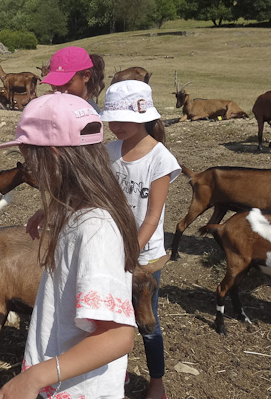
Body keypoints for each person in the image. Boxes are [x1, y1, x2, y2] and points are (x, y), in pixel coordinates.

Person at [0, 92, 140, 399]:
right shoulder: (82, 207)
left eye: (31, 160)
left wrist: (34, 379)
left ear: (55, 157)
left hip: (76, 388)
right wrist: (54, 209)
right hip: (63, 380)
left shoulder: (95, 230)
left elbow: (118, 336)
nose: (30, 171)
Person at [100, 80, 181, 399]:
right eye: (111, 120)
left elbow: (151, 217)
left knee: (147, 321)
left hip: (143, 257)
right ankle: (113, 373)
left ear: (143, 116)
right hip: (112, 249)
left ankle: (156, 381)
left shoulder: (160, 159)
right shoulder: (110, 151)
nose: (115, 126)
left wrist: (129, 253)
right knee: (113, 316)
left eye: (122, 119)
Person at [26, 46, 106, 238]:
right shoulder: (68, 108)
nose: (60, 90)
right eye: (55, 85)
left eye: (67, 83)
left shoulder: (87, 117)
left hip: (86, 214)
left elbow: (85, 176)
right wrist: (53, 209)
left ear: (86, 76)